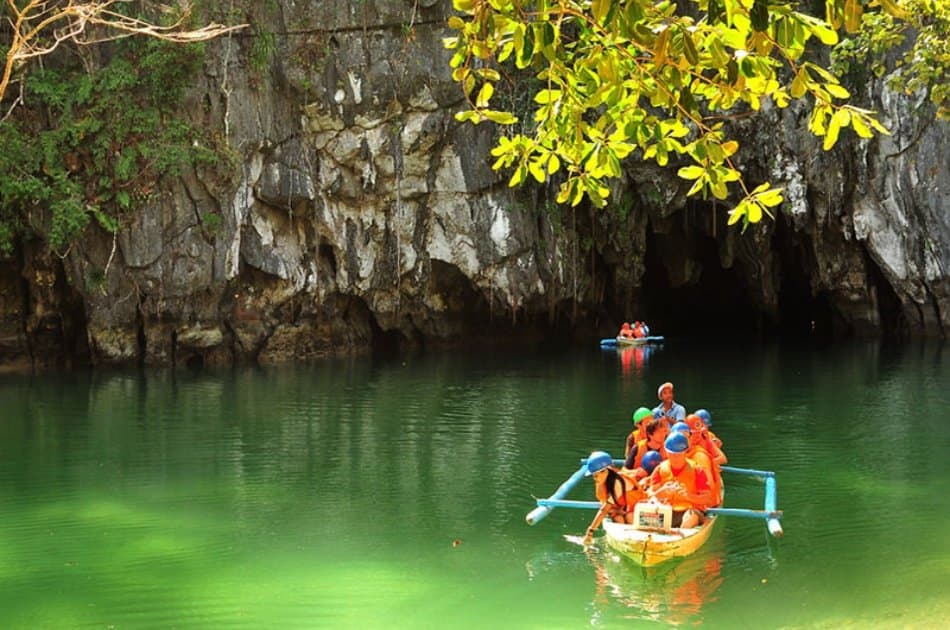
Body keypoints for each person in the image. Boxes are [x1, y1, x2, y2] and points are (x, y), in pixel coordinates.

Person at [648, 433, 714, 528]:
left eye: (679, 454)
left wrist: (689, 496)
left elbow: (707, 498)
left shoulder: (697, 470)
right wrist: (662, 491)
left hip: (690, 510)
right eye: (672, 454)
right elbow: (650, 495)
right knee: (646, 516)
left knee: (690, 517)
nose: (676, 458)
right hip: (666, 510)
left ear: (685, 452)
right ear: (666, 453)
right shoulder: (659, 469)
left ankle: (682, 534)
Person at [582, 451, 648, 544]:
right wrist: (618, 511)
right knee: (618, 518)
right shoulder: (608, 480)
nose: (595, 479)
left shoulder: (617, 482)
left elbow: (604, 510)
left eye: (596, 475)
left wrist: (590, 532)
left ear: (605, 471)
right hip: (624, 509)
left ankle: (635, 542)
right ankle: (625, 542)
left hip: (638, 511)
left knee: (630, 517)